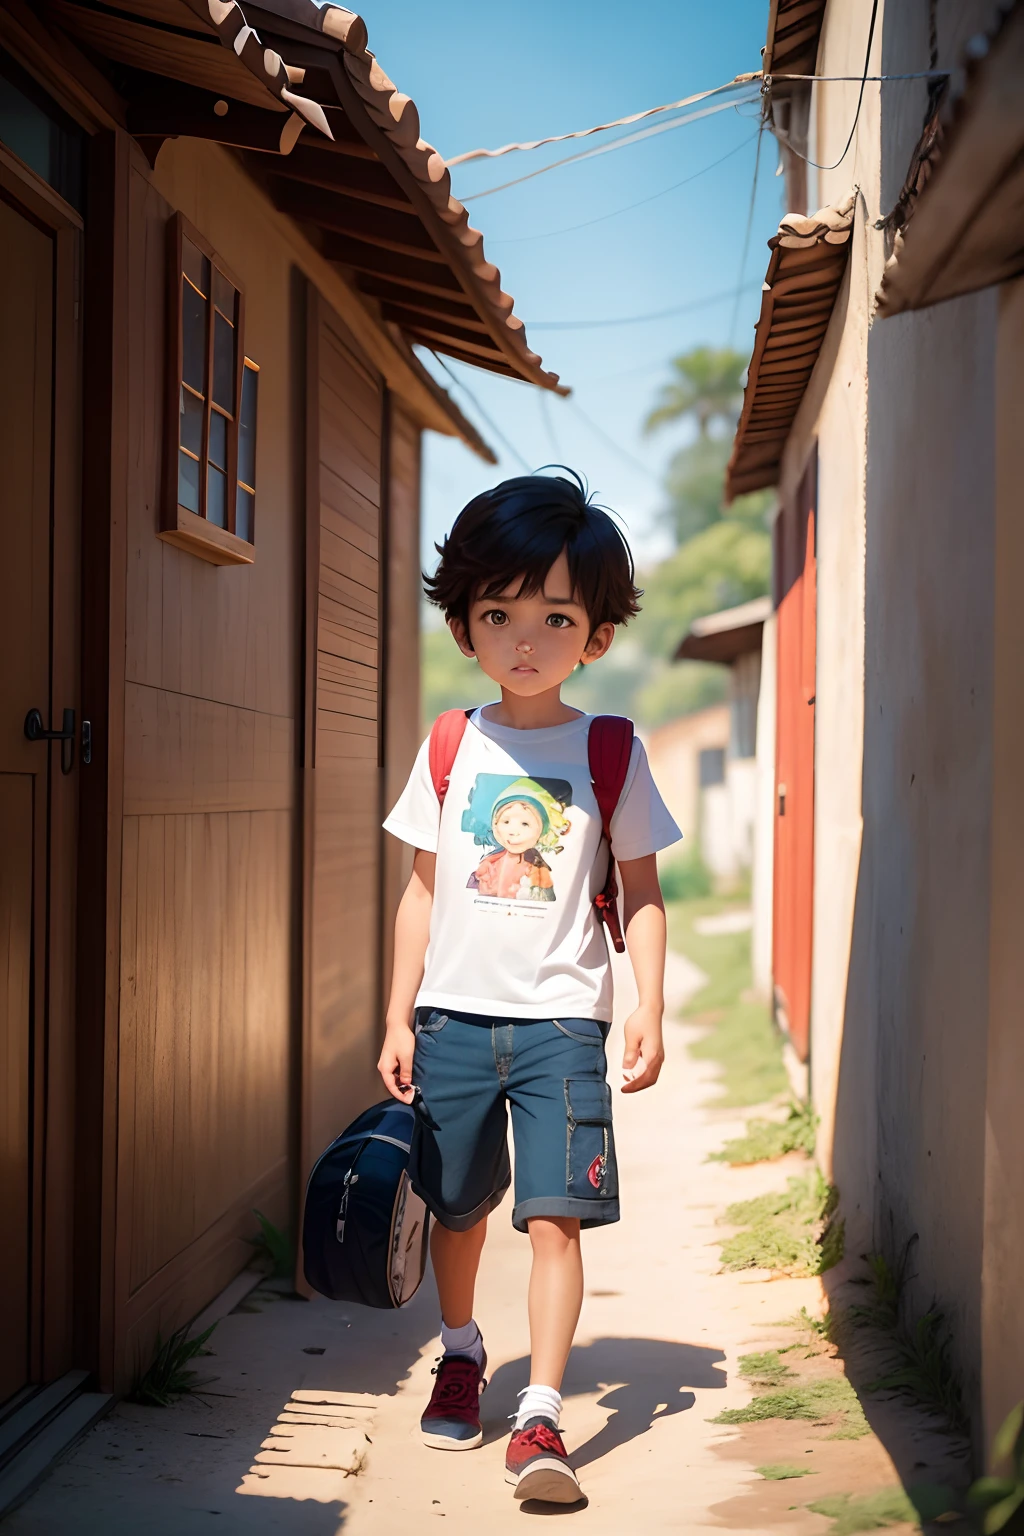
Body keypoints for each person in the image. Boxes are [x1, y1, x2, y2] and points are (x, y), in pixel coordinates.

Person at [379, 469, 680, 1505]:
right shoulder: (451, 745)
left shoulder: (609, 751)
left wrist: (647, 1002)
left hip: (562, 1023)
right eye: (498, 612)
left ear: (594, 635)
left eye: (555, 616)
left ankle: (540, 1413)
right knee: (455, 1207)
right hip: (454, 1018)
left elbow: (639, 891)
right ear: (464, 625)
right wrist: (396, 1011)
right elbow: (421, 892)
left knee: (556, 1217)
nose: (525, 638)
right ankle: (461, 1351)